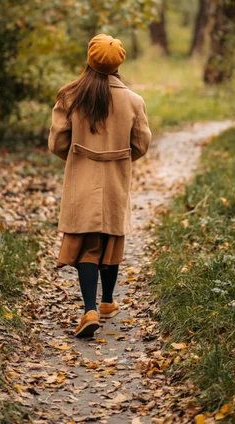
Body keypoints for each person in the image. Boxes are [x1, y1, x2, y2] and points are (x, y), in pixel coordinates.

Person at [48, 33, 152, 338]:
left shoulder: (70, 96)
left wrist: (78, 157)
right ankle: (107, 302)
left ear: (89, 59)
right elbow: (141, 144)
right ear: (119, 62)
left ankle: (89, 310)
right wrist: (120, 158)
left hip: (82, 176)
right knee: (111, 238)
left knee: (88, 245)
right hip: (116, 178)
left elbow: (57, 142)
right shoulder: (133, 101)